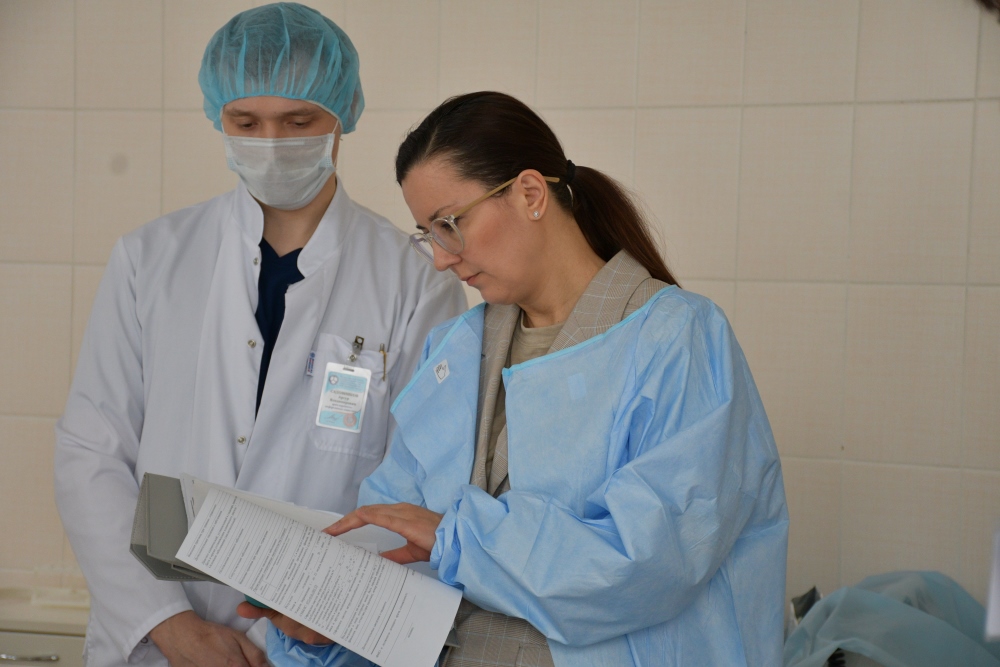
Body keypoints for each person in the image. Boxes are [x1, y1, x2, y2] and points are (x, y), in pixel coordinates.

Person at [255, 91, 790, 667]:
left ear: (531, 194)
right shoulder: (456, 351)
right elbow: (392, 533)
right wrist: (330, 618)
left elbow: (650, 563)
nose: (441, 258)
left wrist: (459, 540)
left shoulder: (677, 339)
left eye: (450, 224)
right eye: (427, 233)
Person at [54, 4, 466, 666]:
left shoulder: (416, 281)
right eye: (246, 123)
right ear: (218, 116)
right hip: (155, 640)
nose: (272, 142)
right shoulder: (150, 259)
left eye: (298, 122)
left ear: (342, 113)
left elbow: (421, 489)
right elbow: (91, 453)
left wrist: (280, 637)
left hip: (313, 642)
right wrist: (169, 624)